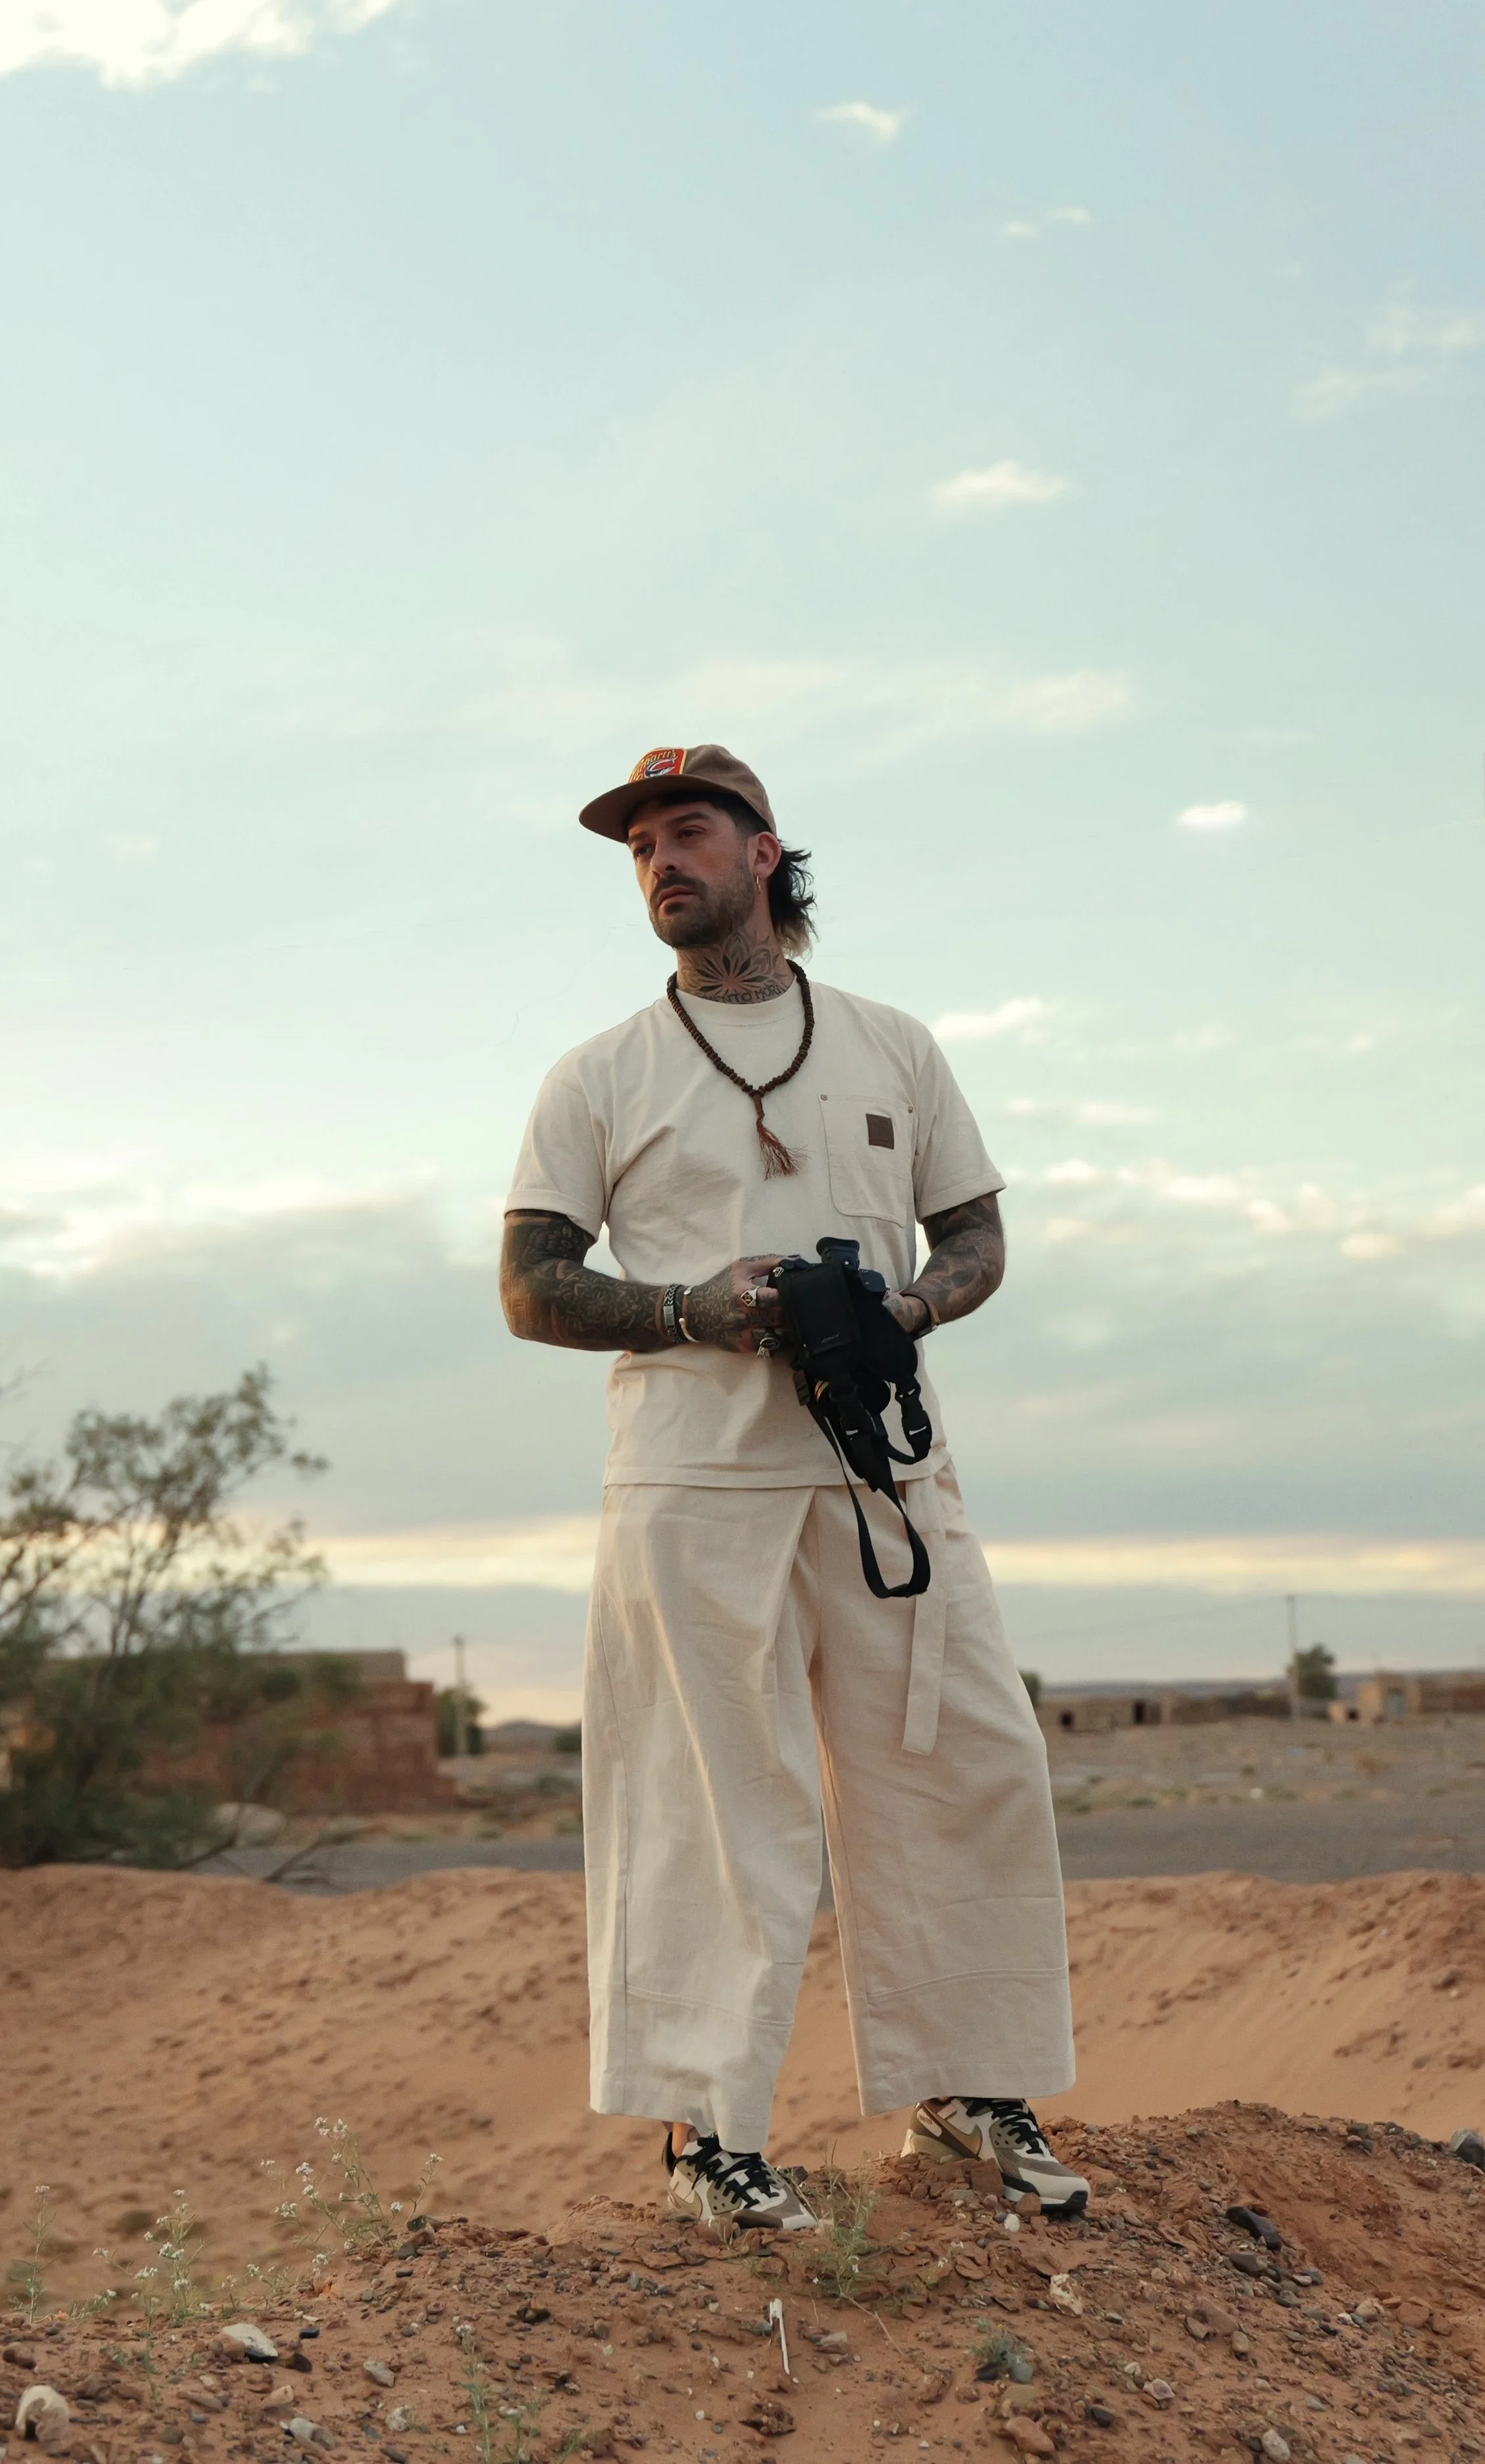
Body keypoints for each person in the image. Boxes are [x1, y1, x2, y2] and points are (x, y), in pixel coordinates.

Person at [500, 743, 1086, 2231]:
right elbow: (532, 1286)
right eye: (638, 847)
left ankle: (968, 2096)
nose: (658, 863)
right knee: (712, 1802)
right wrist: (696, 1308)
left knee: (965, 1760)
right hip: (692, 1481)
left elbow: (975, 1240)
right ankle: (707, 2138)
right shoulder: (598, 1074)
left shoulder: (891, 1045)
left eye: (686, 833)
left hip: (883, 1464)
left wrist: (897, 1311)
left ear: (765, 854)